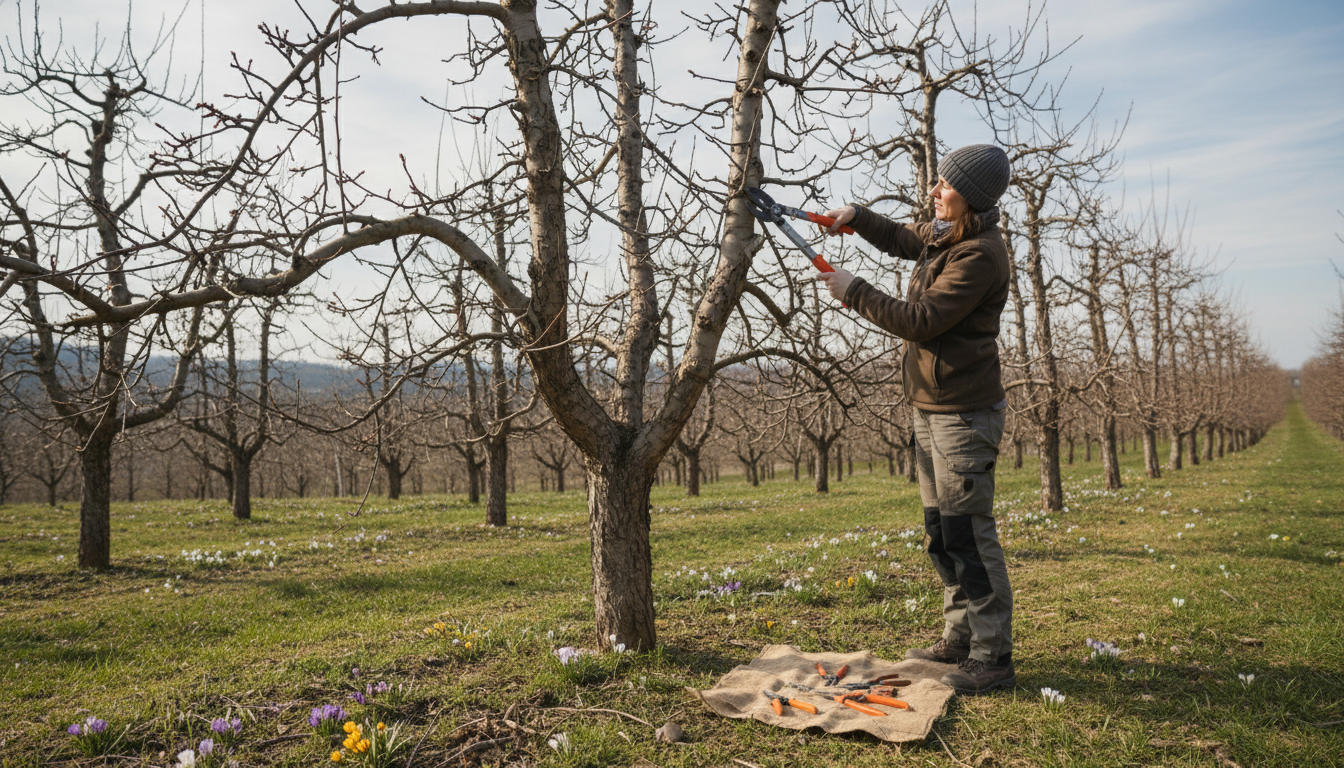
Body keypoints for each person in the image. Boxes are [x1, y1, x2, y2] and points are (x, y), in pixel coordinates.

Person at [814, 144, 1015, 694]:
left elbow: (921, 320)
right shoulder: (948, 234)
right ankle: (959, 636)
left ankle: (993, 656)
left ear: (968, 198)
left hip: (963, 415)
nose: (933, 190)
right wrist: (858, 219)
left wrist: (854, 291)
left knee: (968, 534)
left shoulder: (979, 255)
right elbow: (908, 239)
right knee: (941, 531)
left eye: (944, 185)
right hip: (932, 407)